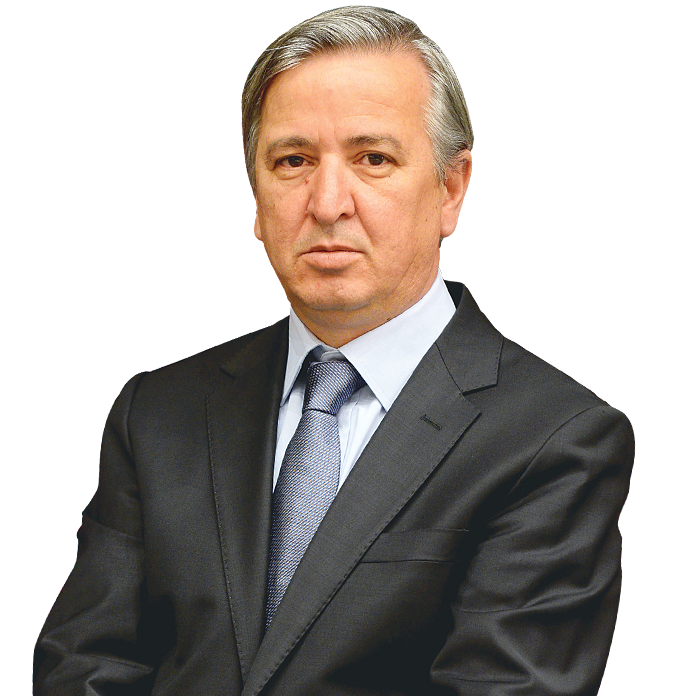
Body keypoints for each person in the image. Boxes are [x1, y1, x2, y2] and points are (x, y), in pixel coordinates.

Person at [31, 4, 637, 694]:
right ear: (254, 201)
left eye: (372, 159)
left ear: (451, 188)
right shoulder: (155, 412)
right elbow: (82, 668)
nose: (326, 203)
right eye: (292, 161)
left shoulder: (555, 437)